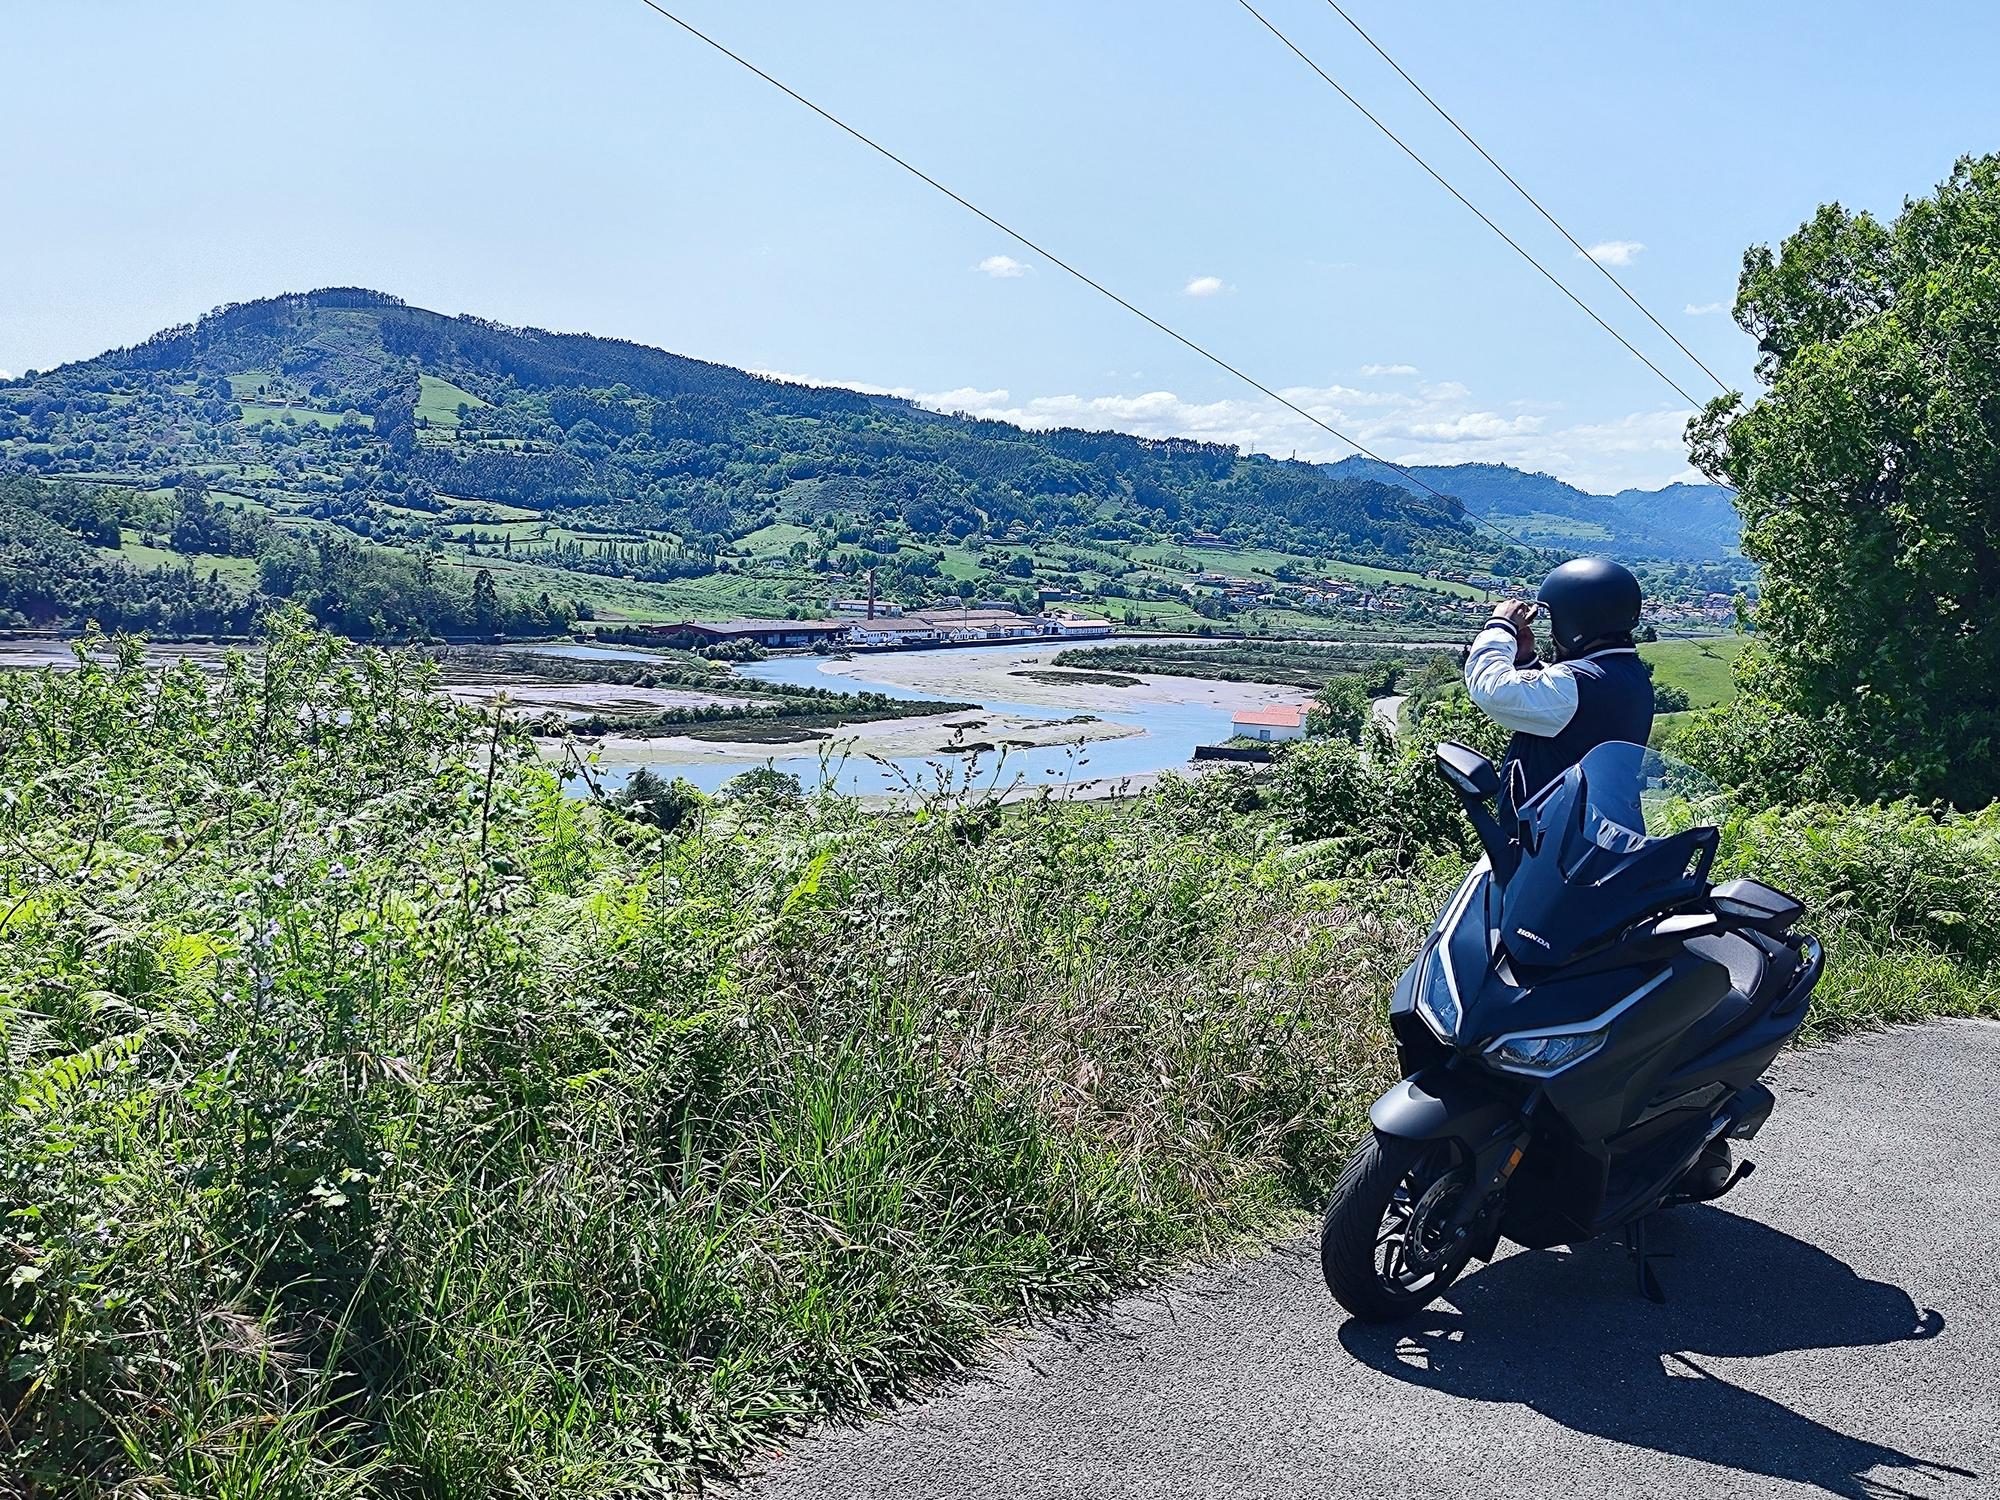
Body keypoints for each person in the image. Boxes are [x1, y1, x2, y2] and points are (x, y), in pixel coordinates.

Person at [1463, 556, 1652, 801]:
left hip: (1558, 834)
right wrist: (1527, 662)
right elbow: (1564, 706)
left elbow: (1491, 690)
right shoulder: (1629, 675)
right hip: (1599, 827)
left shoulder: (1579, 684)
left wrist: (1501, 626)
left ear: (1575, 621)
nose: (1552, 633)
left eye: (1555, 620)